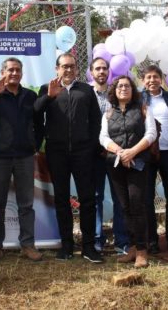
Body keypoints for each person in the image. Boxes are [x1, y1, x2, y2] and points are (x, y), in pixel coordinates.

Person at [35, 53, 104, 263]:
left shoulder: (86, 90)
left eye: (72, 67)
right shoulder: (47, 89)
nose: (68, 70)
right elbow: (35, 113)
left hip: (84, 153)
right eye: (64, 66)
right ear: (57, 68)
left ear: (76, 69)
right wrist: (48, 96)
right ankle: (66, 245)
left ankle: (89, 246)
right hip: (57, 153)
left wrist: (92, 146)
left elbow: (96, 121)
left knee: (87, 199)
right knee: (61, 199)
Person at [0, 57, 43, 263]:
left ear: (22, 73)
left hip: (24, 156)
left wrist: (35, 146)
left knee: (26, 203)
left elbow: (39, 123)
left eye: (17, 70)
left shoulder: (30, 96)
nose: (14, 73)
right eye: (10, 70)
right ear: (3, 72)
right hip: (0, 157)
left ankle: (28, 245)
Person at [100, 75, 157, 268]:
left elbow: (151, 134)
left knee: (137, 205)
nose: (123, 88)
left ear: (133, 90)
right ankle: (132, 247)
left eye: (127, 86)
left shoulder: (142, 110)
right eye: (119, 86)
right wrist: (120, 152)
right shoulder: (108, 114)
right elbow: (103, 137)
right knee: (124, 207)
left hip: (138, 163)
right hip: (115, 164)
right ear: (114, 91)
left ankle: (142, 250)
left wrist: (132, 152)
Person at [141, 64, 168, 254]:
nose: (152, 81)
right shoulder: (139, 99)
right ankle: (152, 241)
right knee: (147, 199)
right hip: (147, 154)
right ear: (143, 81)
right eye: (148, 77)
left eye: (156, 77)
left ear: (162, 79)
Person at [89, 57, 129, 254]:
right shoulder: (86, 93)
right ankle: (97, 240)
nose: (102, 72)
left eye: (105, 68)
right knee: (95, 196)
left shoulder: (117, 94)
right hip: (94, 154)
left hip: (115, 153)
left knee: (119, 196)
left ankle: (122, 241)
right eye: (98, 68)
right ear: (91, 72)